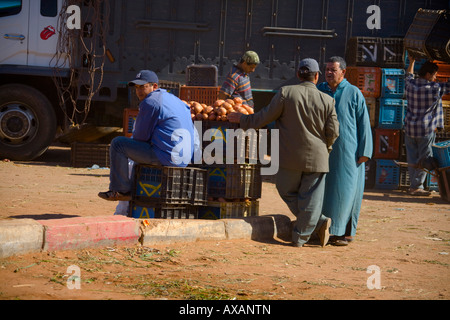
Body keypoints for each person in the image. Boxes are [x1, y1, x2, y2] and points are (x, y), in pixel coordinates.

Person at [228, 58, 339, 247]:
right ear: (317, 76)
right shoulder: (328, 100)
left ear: (297, 74)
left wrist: (243, 119)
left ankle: (303, 235)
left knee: (285, 190)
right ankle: (312, 227)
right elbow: (334, 132)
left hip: (289, 157)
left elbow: (264, 117)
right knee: (310, 197)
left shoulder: (286, 93)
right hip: (318, 157)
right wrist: (325, 148)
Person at [98, 70, 196, 201]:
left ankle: (121, 190)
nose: (138, 91)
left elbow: (140, 137)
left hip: (168, 157)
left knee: (118, 144)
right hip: (184, 159)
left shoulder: (151, 102)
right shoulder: (175, 99)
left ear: (154, 86)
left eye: (143, 87)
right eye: (136, 87)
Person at [317, 56, 373, 246]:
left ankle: (341, 233)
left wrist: (365, 151)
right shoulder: (320, 91)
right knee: (322, 192)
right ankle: (321, 229)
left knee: (346, 192)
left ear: (343, 72)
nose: (329, 73)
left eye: (333, 69)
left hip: (347, 152)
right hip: (323, 151)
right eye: (327, 69)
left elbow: (363, 123)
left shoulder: (353, 92)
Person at [404, 57, 449, 196]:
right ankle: (416, 186)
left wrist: (411, 62)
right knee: (424, 158)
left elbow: (408, 75)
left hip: (410, 127)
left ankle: (414, 185)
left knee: (412, 157)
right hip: (425, 129)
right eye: (435, 74)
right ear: (429, 74)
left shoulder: (411, 85)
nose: (436, 78)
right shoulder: (435, 88)